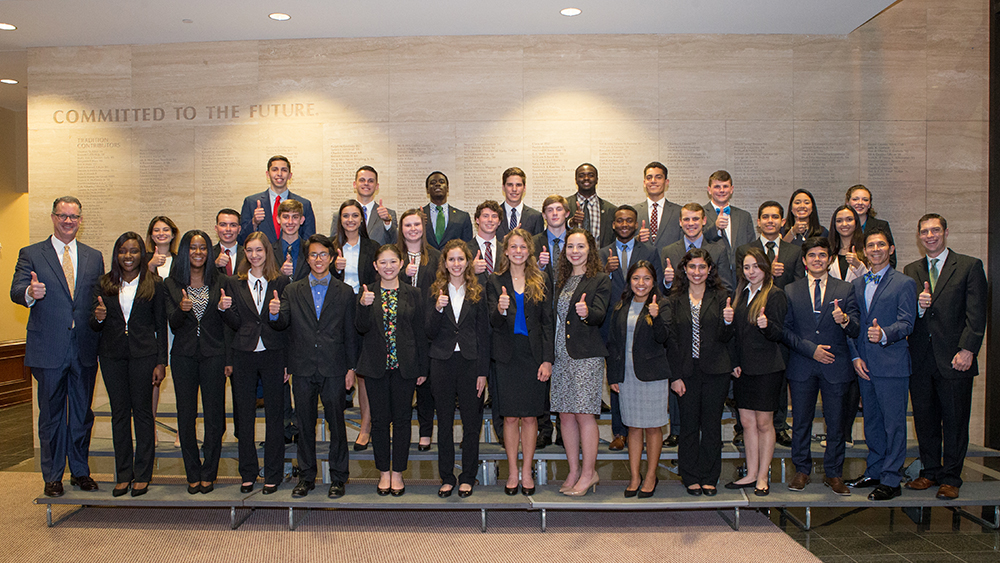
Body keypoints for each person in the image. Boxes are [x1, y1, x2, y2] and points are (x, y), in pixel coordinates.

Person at [10, 196, 105, 497]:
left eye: (74, 217)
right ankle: (52, 476)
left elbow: (95, 301)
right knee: (51, 416)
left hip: (84, 348)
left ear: (80, 220)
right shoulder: (32, 254)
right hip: (48, 348)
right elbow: (15, 290)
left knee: (81, 414)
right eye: (62, 216)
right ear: (52, 217)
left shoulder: (93, 256)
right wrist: (29, 291)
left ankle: (80, 472)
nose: (68, 221)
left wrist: (100, 315)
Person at [903, 214, 987, 500]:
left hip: (955, 358)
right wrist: (919, 306)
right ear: (919, 236)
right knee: (925, 419)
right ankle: (929, 472)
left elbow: (976, 314)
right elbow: (907, 315)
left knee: (954, 420)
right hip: (921, 359)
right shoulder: (911, 270)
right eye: (924, 231)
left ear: (946, 232)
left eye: (934, 230)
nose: (929, 235)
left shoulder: (968, 266)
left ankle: (951, 477)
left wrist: (968, 350)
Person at [269, 234, 357, 498]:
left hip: (334, 367)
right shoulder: (292, 290)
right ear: (307, 259)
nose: (318, 259)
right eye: (313, 255)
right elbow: (283, 326)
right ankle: (306, 477)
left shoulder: (345, 292)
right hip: (303, 366)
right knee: (304, 425)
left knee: (336, 424)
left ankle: (339, 478)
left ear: (331, 258)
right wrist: (274, 312)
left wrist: (351, 368)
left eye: (323, 255)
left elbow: (350, 333)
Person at [90, 232, 167, 497]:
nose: (128, 256)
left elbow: (161, 326)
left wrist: (161, 362)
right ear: (116, 254)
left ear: (142, 255)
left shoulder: (154, 284)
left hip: (144, 356)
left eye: (134, 251)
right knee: (119, 415)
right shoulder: (104, 284)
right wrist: (98, 317)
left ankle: (143, 475)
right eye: (123, 251)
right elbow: (94, 322)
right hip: (112, 356)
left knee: (143, 414)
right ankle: (124, 474)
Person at [782, 237, 860, 496]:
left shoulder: (846, 289)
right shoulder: (791, 290)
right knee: (801, 421)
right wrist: (811, 350)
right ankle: (801, 471)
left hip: (835, 367)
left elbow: (856, 327)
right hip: (802, 365)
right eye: (812, 255)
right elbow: (786, 330)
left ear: (829, 259)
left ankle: (834, 474)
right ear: (804, 260)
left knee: (836, 424)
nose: (817, 259)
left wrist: (845, 319)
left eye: (822, 255)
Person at [845, 227, 916, 501]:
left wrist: (885, 333)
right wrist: (854, 356)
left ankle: (891, 478)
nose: (876, 249)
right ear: (864, 251)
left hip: (892, 364)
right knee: (872, 423)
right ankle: (874, 471)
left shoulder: (904, 283)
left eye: (881, 245)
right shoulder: (858, 284)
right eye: (871, 245)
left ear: (891, 249)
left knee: (893, 424)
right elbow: (852, 324)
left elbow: (907, 321)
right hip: (864, 364)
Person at [356, 245, 429, 496]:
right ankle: (382, 472)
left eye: (392, 262)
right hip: (376, 367)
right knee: (378, 422)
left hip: (405, 366)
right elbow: (360, 328)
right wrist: (364, 306)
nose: (388, 266)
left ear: (401, 264)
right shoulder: (366, 293)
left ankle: (397, 472)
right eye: (382, 262)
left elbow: (420, 332)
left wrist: (422, 367)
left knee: (401, 421)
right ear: (375, 266)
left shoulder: (414, 293)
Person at [220, 232, 290, 494]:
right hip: (244, 354)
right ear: (244, 253)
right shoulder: (233, 283)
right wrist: (224, 310)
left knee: (275, 417)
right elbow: (235, 325)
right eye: (249, 250)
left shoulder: (281, 282)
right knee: (244, 417)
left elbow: (286, 324)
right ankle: (248, 474)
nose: (254, 255)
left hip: (273, 353)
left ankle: (273, 474)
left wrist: (275, 314)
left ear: (267, 252)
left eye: (259, 250)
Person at [488, 228, 554, 495]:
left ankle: (527, 472)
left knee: (529, 418)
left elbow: (548, 323)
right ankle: (512, 472)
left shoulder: (541, 279)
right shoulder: (494, 281)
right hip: (505, 356)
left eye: (522, 247)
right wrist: (500, 309)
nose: (518, 251)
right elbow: (491, 322)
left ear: (530, 251)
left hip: (533, 356)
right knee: (510, 418)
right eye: (513, 247)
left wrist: (547, 359)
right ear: (506, 251)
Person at [163, 230, 228, 494]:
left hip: (214, 355)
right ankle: (192, 472)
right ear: (184, 252)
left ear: (209, 252)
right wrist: (182, 309)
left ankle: (209, 472)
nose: (198, 252)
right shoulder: (171, 284)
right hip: (183, 356)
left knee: (215, 419)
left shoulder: (222, 281)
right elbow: (173, 322)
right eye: (192, 247)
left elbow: (229, 325)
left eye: (202, 248)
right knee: (186, 416)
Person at [665, 248, 734, 496]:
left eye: (702, 267)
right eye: (692, 267)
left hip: (716, 371)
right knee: (689, 426)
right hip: (686, 372)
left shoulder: (722, 297)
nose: (697, 272)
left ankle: (709, 476)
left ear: (709, 270)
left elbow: (728, 338)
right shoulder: (674, 299)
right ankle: (690, 475)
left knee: (712, 426)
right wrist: (675, 376)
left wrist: (728, 321)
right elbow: (671, 341)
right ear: (685, 269)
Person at [737, 201, 803, 447]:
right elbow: (740, 284)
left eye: (775, 217)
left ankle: (780, 425)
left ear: (783, 221)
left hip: (778, 324)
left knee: (777, 384)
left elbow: (797, 288)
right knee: (748, 413)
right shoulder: (746, 249)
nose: (770, 221)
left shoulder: (794, 251)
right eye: (765, 217)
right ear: (759, 221)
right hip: (749, 334)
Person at [426, 240, 490, 498]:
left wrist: (483, 372)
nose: (456, 264)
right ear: (444, 263)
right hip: (441, 362)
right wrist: (438, 308)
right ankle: (447, 477)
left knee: (471, 424)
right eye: (451, 259)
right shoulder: (433, 291)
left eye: (460, 259)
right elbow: (428, 331)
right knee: (443, 423)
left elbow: (484, 334)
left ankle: (467, 476)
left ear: (468, 262)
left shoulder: (479, 291)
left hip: (470, 363)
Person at [551, 228, 611, 497]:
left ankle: (589, 472)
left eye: (581, 247)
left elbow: (599, 314)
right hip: (561, 356)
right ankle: (574, 470)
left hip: (586, 356)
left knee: (584, 414)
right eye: (571, 247)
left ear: (590, 250)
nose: (575, 251)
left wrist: (587, 313)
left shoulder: (599, 279)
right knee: (565, 414)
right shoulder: (561, 279)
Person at [600, 204, 660, 450]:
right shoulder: (603, 253)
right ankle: (620, 431)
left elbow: (655, 285)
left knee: (642, 376)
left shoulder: (650, 250)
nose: (624, 224)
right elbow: (595, 286)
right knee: (617, 377)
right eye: (620, 221)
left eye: (629, 221)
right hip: (611, 325)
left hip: (643, 323)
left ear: (636, 225)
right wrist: (606, 272)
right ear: (613, 225)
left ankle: (646, 429)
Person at [728, 247, 788, 496]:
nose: (751, 271)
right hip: (743, 369)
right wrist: (734, 361)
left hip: (767, 369)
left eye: (755, 266)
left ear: (764, 267)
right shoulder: (739, 294)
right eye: (746, 267)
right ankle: (751, 473)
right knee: (746, 422)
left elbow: (780, 333)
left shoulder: (775, 294)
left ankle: (763, 475)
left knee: (764, 424)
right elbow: (734, 335)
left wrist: (767, 325)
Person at [607, 261, 670, 498]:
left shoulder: (661, 305)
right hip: (627, 376)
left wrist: (656, 317)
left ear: (654, 281)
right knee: (633, 428)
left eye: (646, 279)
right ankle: (634, 476)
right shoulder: (621, 306)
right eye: (636, 278)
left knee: (653, 428)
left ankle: (651, 475)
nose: (640, 283)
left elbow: (665, 337)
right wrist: (613, 375)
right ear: (629, 281)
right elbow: (613, 344)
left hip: (653, 376)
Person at [396, 208, 440, 452]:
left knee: (425, 384)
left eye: (416, 225)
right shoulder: (394, 255)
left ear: (423, 228)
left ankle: (425, 432)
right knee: (403, 383)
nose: (412, 229)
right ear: (401, 230)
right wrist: (403, 274)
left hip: (426, 328)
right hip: (400, 328)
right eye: (407, 225)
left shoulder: (434, 256)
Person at [145, 215, 179, 446]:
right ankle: (150, 430)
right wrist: (149, 267)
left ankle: (182, 431)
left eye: (165, 229)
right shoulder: (143, 260)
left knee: (183, 379)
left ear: (173, 233)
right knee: (153, 380)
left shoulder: (180, 260)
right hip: (153, 328)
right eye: (156, 230)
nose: (161, 233)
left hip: (178, 326)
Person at [239, 155, 316, 245]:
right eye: (275, 169)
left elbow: (309, 241)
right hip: (263, 258)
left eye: (284, 170)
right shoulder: (251, 202)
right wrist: (254, 222)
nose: (279, 173)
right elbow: (241, 239)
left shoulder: (304, 204)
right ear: (267, 174)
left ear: (290, 175)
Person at [661, 203, 734, 292]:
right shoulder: (668, 252)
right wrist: (668, 282)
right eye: (686, 219)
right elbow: (661, 292)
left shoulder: (718, 251)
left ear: (704, 221)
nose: (691, 223)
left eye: (695, 219)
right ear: (680, 222)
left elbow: (726, 288)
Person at [703, 170, 756, 281]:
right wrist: (715, 227)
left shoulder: (744, 216)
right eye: (717, 186)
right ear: (709, 190)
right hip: (712, 277)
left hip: (741, 277)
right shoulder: (700, 214)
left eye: (725, 186)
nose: (721, 190)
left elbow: (751, 246)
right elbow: (699, 241)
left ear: (731, 189)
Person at [330, 166, 398, 246]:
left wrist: (387, 222)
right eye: (362, 180)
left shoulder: (388, 215)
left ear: (377, 186)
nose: (366, 183)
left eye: (370, 181)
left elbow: (395, 241)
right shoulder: (339, 215)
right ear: (355, 184)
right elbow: (334, 244)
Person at [566, 163, 617, 248]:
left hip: (600, 259)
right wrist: (571, 223)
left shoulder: (611, 210)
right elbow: (555, 230)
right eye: (582, 175)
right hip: (572, 258)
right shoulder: (564, 205)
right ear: (576, 180)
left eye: (591, 175)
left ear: (597, 180)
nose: (586, 178)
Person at [634, 162, 682, 251]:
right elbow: (624, 242)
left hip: (669, 263)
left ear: (666, 182)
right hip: (642, 263)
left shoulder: (679, 212)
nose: (653, 180)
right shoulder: (634, 211)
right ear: (644, 183)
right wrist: (637, 239)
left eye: (658, 177)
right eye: (649, 177)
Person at [846, 184, 895, 268]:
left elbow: (892, 261)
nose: (860, 203)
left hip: (875, 277)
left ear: (869, 205)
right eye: (855, 199)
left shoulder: (881, 226)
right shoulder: (841, 227)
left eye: (865, 200)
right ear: (848, 203)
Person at [422, 171, 474, 250]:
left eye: (442, 182)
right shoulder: (418, 215)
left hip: (453, 261)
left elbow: (467, 249)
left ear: (448, 188)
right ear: (427, 190)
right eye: (433, 182)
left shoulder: (462, 217)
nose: (438, 184)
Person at [496, 167, 544, 240]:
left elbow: (537, 246)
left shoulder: (536, 217)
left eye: (518, 185)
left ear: (524, 188)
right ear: (503, 187)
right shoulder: (494, 215)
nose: (514, 189)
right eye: (510, 185)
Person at [828, 205, 869, 283]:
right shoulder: (828, 250)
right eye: (839, 221)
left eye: (849, 219)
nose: (844, 224)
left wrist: (858, 265)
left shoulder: (866, 249)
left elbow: (872, 283)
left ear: (856, 222)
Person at [274, 199, 310, 282]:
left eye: (295, 217)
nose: (290, 222)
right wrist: (281, 273)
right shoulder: (269, 251)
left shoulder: (309, 249)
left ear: (302, 220)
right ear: (278, 219)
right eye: (286, 217)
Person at [469, 200, 503, 276]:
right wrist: (470, 270)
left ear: (499, 222)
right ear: (477, 220)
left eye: (494, 216)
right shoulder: (465, 250)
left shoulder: (505, 250)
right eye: (485, 216)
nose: (490, 220)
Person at [214, 209, 244, 277]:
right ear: (216, 228)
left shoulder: (248, 254)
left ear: (239, 229)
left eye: (233, 225)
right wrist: (215, 265)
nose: (228, 229)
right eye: (223, 225)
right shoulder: (208, 254)